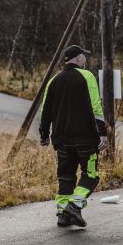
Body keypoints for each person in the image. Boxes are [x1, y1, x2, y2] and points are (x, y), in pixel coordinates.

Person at [39, 44, 108, 228]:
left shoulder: (53, 80)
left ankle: (63, 214)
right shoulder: (87, 76)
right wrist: (102, 133)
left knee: (66, 177)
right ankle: (74, 205)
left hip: (61, 140)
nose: (85, 60)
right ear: (78, 58)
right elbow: (96, 107)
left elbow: (45, 111)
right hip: (85, 138)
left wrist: (44, 135)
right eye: (84, 57)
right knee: (91, 175)